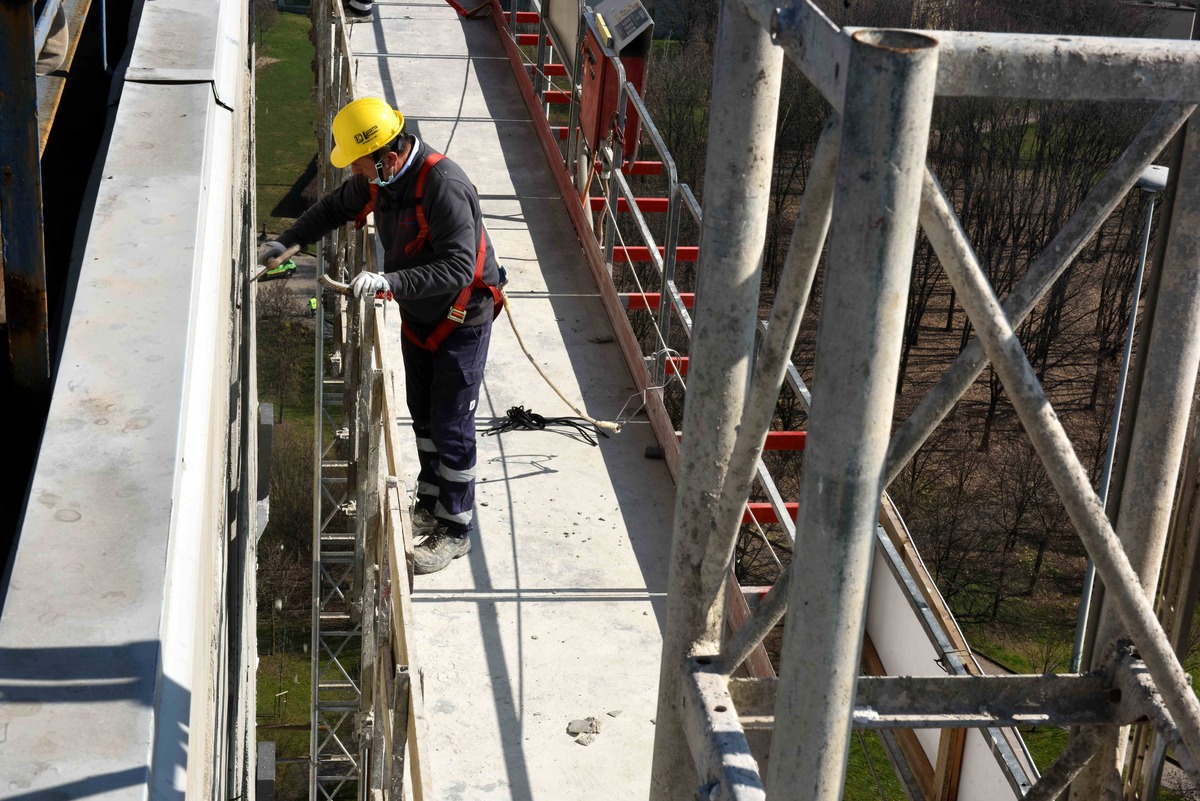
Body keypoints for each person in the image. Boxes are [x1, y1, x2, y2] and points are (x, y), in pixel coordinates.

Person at [259, 97, 501, 575]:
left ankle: (456, 528)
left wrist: (391, 282)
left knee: (452, 424)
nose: (358, 173)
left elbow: (456, 267)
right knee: (424, 415)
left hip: (460, 317)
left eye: (360, 163)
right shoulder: (386, 180)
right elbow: (334, 207)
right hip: (422, 315)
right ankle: (431, 499)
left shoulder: (443, 186)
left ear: (388, 154)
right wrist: (289, 240)